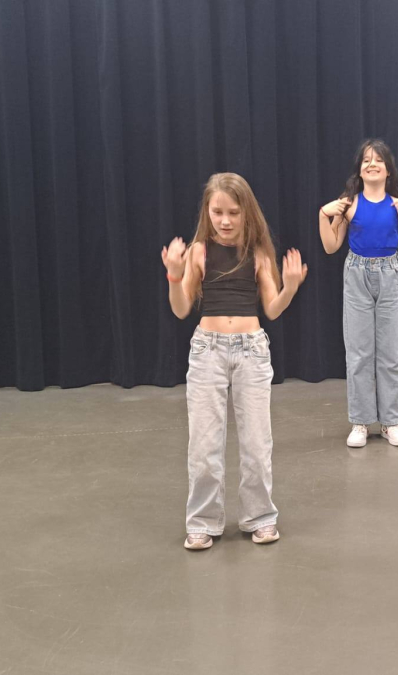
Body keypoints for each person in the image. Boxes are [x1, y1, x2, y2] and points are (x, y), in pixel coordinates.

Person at [162, 173, 307, 550]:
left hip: (251, 351)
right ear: (207, 212)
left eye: (233, 213)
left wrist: (290, 287)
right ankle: (202, 521)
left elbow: (272, 309)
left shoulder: (258, 253)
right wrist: (174, 277)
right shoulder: (199, 252)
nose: (225, 221)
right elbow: (181, 309)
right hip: (207, 350)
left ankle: (260, 517)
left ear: (247, 213)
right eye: (217, 212)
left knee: (257, 443)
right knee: (204, 445)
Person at [318, 139, 398, 448]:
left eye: (378, 160)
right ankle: (361, 422)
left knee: (391, 354)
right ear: (359, 169)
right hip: (357, 275)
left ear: (388, 170)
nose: (372, 164)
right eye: (366, 160)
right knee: (359, 353)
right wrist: (323, 216)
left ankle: (392, 422)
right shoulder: (349, 204)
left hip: (390, 274)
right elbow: (330, 246)